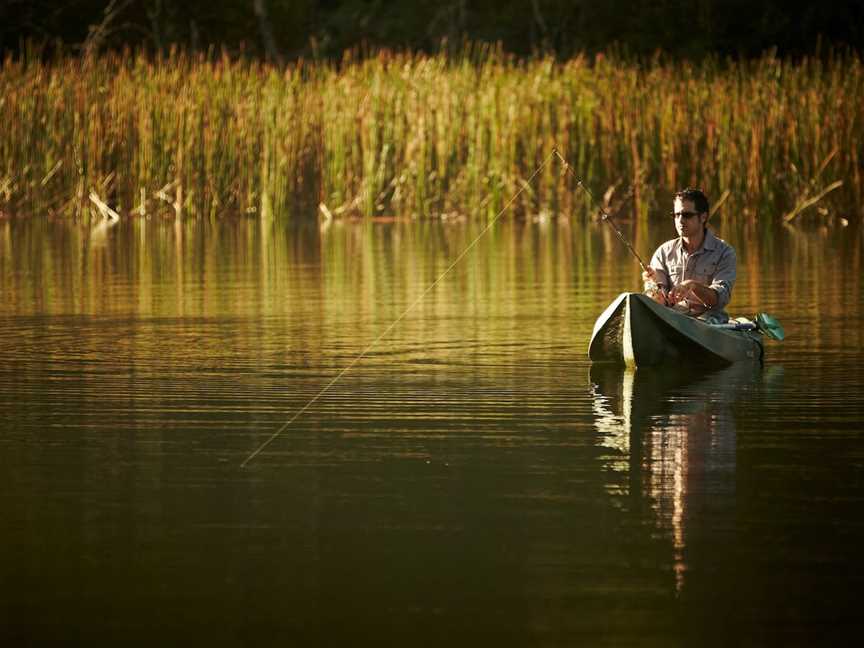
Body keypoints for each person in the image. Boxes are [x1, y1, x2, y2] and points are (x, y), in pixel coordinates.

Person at [642, 188, 736, 324]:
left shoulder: (725, 253)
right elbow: (659, 302)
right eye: (676, 215)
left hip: (709, 323)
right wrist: (653, 288)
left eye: (686, 215)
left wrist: (693, 286)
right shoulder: (663, 252)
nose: (680, 220)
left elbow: (719, 299)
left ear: (703, 217)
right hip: (671, 322)